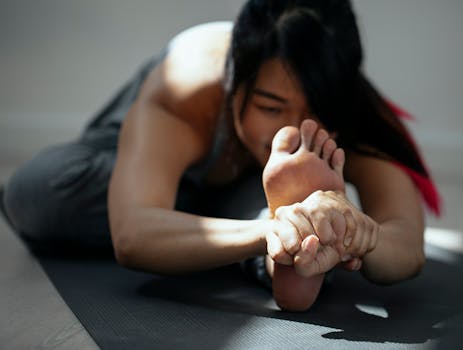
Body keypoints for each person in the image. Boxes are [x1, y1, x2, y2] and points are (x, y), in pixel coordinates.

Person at [2, 0, 440, 311]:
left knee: (308, 236)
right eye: (270, 107)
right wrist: (273, 227)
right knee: (37, 193)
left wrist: (359, 232)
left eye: (317, 114)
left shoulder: (358, 109)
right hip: (135, 173)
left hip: (251, 193)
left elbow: (407, 247)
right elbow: (133, 233)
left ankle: (285, 248)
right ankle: (267, 234)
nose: (291, 130)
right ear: (236, 81)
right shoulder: (186, 86)